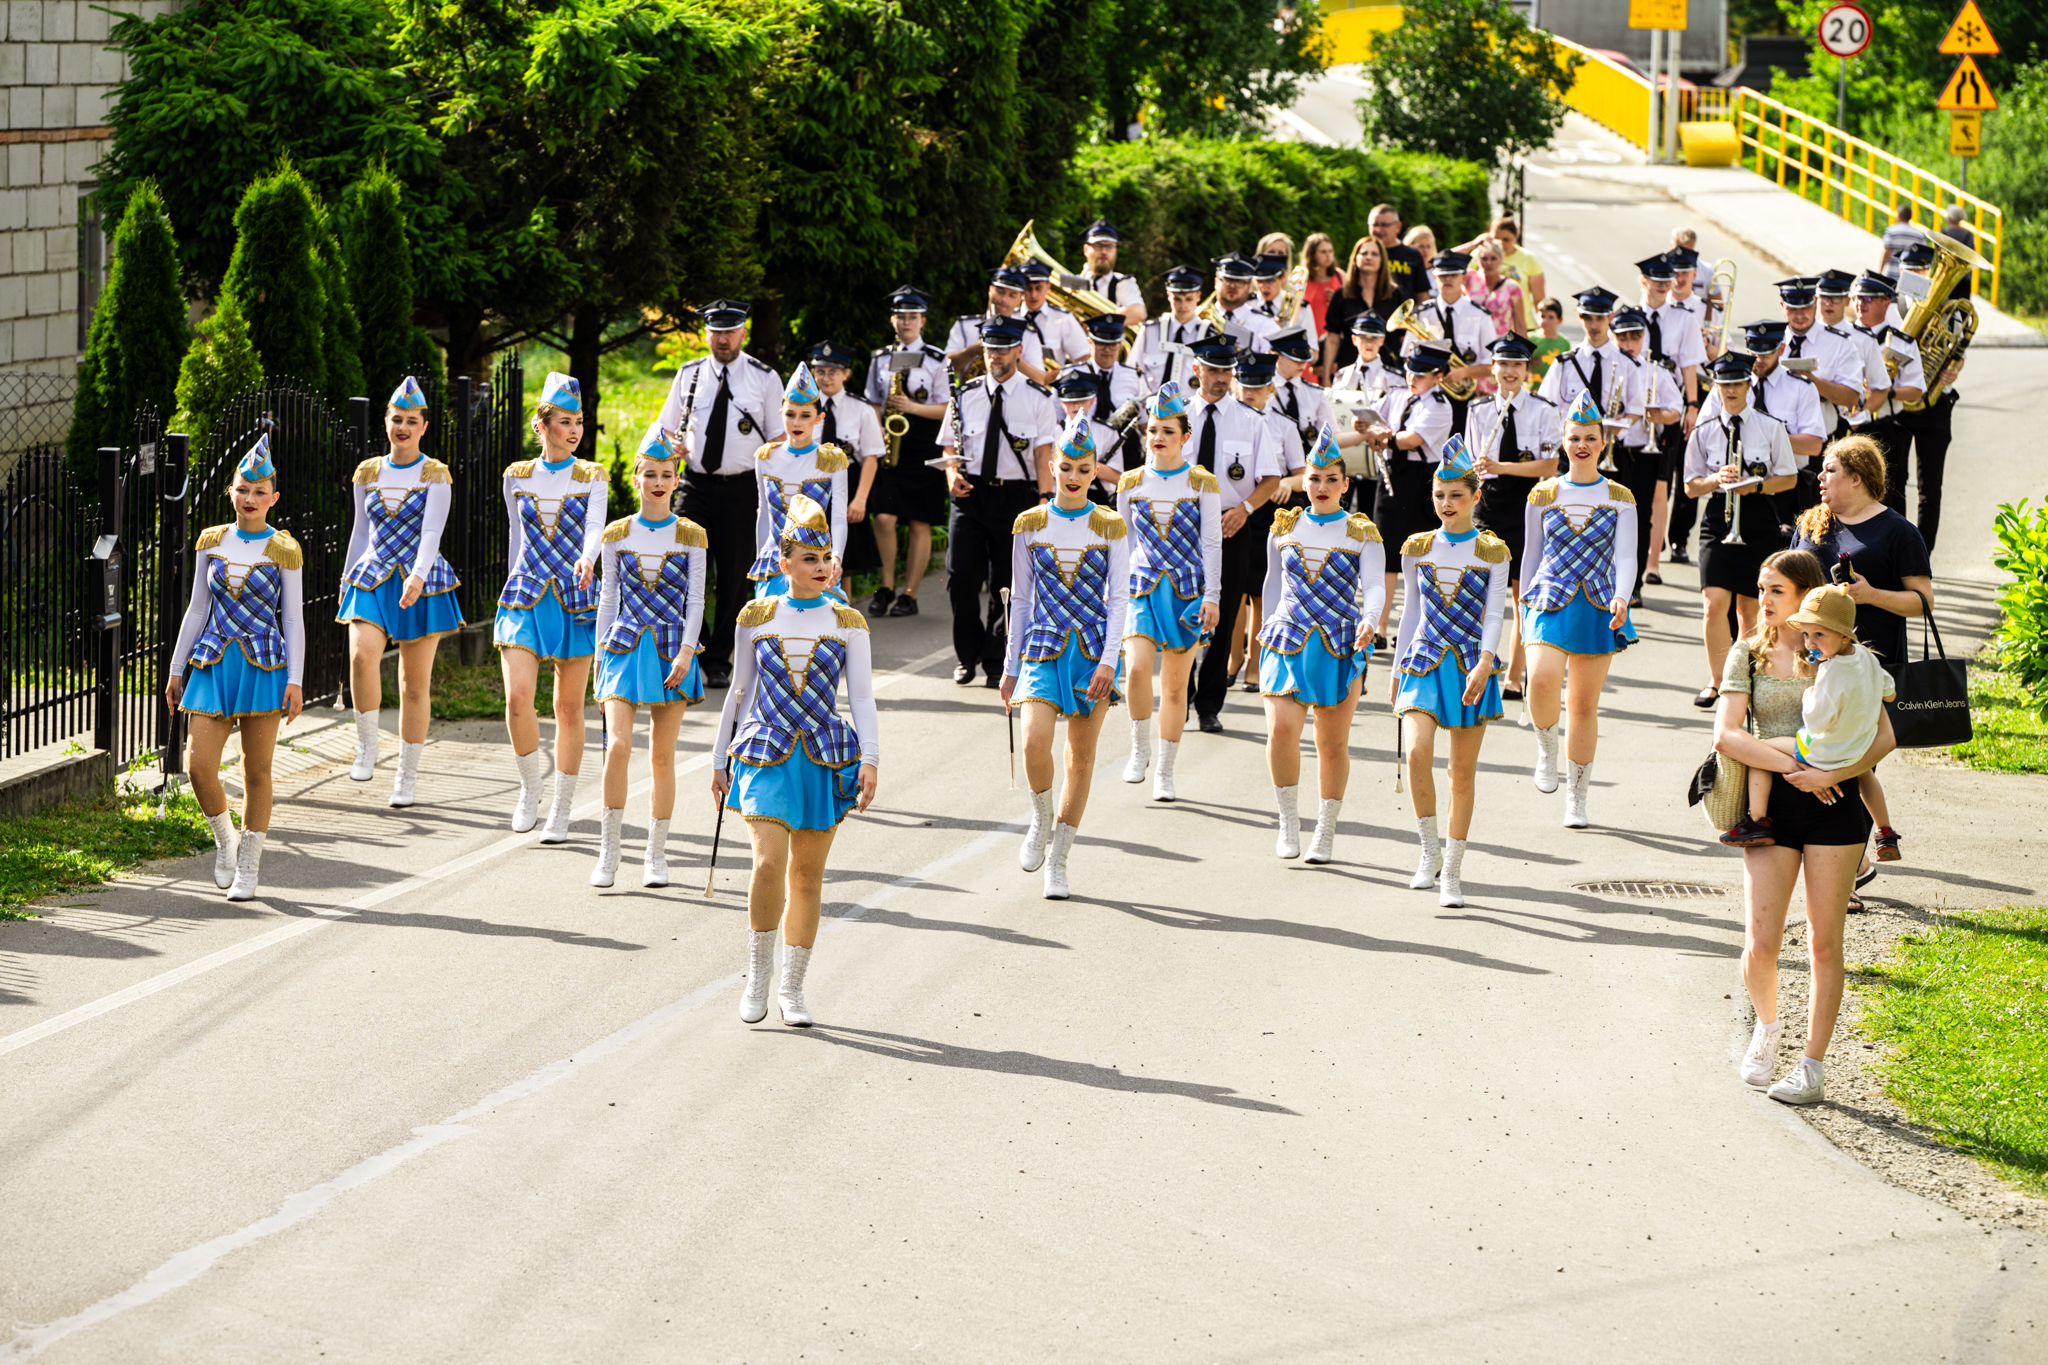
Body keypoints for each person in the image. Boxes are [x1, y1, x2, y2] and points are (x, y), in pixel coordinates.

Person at [1714, 549, 1898, 1103]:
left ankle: (1812, 1068)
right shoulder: (1747, 652)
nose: (1763, 600)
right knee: (1761, 941)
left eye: (1776, 590)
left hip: (1837, 803)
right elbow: (1727, 736)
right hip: (1770, 807)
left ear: (1806, 596)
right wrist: (1799, 769)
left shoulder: (1844, 653)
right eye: (1761, 588)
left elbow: (1885, 737)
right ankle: (1767, 1029)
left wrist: (1831, 774)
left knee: (1823, 941)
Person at [712, 496, 880, 1029]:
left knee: (807, 875)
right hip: (765, 749)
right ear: (784, 562)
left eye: (826, 557)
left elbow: (862, 697)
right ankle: (758, 975)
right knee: (768, 863)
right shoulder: (756, 616)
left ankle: (792, 988)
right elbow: (739, 691)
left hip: (824, 754)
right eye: (810, 558)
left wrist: (871, 759)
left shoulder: (848, 620)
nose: (823, 566)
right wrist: (718, 758)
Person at [164, 434, 304, 901]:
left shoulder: (284, 548)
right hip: (212, 661)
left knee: (256, 770)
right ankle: (226, 840)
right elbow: (196, 608)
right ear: (231, 492)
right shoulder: (211, 541)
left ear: (273, 499)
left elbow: (292, 619)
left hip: (265, 665)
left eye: (260, 492)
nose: (250, 499)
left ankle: (249, 863)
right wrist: (176, 669)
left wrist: (296, 680)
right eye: (243, 489)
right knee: (199, 766)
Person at [1001, 418, 1131, 899]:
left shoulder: (1109, 524)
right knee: (1034, 741)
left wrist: (1109, 661)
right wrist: (1010, 667)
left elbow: (1120, 598)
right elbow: (1020, 599)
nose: (1074, 476)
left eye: (1083, 468)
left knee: (1079, 756)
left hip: (1092, 651)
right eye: (1066, 467)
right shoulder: (1029, 524)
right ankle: (1040, 818)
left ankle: (1059, 859)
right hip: (1042, 644)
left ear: (1095, 470)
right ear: (1052, 467)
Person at [1792, 434, 1931, 866]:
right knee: (1816, 766)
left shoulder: (1898, 531)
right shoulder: (1812, 523)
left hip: (1864, 670)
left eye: (1830, 470)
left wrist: (1871, 595)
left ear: (1856, 477)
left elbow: (1923, 601)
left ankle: (1846, 869)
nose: (1820, 477)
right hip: (1809, 663)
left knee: (1850, 770)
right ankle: (1842, 863)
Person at [1391, 443, 1510, 908]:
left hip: (1470, 664)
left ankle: (1453, 872)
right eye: (1440, 495)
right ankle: (1429, 850)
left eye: (1456, 495)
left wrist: (1486, 661)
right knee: (1417, 751)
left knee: (1461, 772)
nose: (1446, 503)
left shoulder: (1491, 551)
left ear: (1475, 497)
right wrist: (1397, 668)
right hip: (1422, 659)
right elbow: (1410, 612)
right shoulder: (1418, 547)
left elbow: (1495, 613)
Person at [1259, 424, 1385, 864]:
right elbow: (1272, 585)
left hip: (1339, 642)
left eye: (1332, 479)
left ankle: (1325, 830)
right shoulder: (1285, 525)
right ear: (1303, 481)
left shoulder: (1360, 531)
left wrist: (1371, 620)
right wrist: (1265, 632)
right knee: (1281, 731)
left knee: (1331, 743)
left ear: (1346, 484)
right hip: (1287, 637)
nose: (1322, 487)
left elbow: (1374, 585)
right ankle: (1288, 822)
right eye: (1314, 478)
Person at [590, 424, 709, 888]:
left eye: (666, 474)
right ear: (636, 479)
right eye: (650, 474)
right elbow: (608, 599)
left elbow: (696, 601)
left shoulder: (692, 535)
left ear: (676, 480)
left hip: (672, 649)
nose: (658, 482)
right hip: (623, 647)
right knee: (617, 745)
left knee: (662, 756)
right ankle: (609, 850)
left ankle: (656, 855)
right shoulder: (616, 534)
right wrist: (599, 658)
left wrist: (686, 653)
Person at [340, 376, 461, 808]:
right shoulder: (368, 471)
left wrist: (418, 575)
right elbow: (360, 531)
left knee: (413, 684)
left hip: (421, 581)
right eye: (397, 419)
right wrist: (346, 579)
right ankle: (367, 745)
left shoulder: (435, 474)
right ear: (386, 422)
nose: (403, 427)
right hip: (372, 575)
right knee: (362, 657)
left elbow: (432, 532)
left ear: (424, 427)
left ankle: (407, 775)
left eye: (412, 421)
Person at [1520, 392, 1639, 829]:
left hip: (1598, 602)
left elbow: (1627, 555)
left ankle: (1577, 795)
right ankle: (1546, 747)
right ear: (1563, 442)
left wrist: (1622, 596)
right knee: (1542, 680)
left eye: (1590, 438)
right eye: (1574, 438)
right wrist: (1521, 609)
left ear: (1603, 443)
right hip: (1547, 596)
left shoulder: (1620, 496)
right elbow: (1531, 555)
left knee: (1583, 705)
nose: (1582, 445)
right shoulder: (1543, 493)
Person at [495, 372, 606, 841]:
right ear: (542, 426)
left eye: (578, 421)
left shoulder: (591, 476)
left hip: (574, 594)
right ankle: (530, 787)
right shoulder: (516, 476)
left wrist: (588, 557)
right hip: (524, 592)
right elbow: (515, 537)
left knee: (567, 707)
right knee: (518, 699)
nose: (575, 430)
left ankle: (561, 807)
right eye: (565, 421)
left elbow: (596, 527)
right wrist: (510, 582)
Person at [659, 299, 782, 689]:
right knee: (679, 565)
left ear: (743, 333)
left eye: (730, 332)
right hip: (695, 483)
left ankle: (717, 660)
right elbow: (665, 427)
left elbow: (779, 437)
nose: (723, 339)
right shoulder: (689, 373)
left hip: (742, 487)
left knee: (733, 576)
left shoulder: (764, 377)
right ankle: (693, 644)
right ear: (706, 333)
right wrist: (672, 445)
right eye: (716, 332)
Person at [1723, 582, 1895, 850]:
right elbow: (1890, 691)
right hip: (1857, 747)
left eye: (1818, 635)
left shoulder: (1830, 671)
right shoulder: (1866, 657)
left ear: (1844, 636)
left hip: (1823, 751)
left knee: (1761, 749)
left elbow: (1816, 721)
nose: (1810, 643)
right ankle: (1885, 831)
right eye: (1806, 634)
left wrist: (1810, 695)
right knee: (1866, 776)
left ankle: (1757, 821)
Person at [939, 316, 1061, 687]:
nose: (995, 355)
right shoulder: (965, 393)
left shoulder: (1039, 397)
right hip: (971, 493)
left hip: (1016, 496)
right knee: (960, 576)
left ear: (1018, 351)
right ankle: (966, 654)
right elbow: (949, 446)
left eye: (1003, 348)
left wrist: (1045, 498)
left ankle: (997, 659)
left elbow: (1042, 453)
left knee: (1006, 583)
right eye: (990, 348)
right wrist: (951, 474)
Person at [1118, 381, 1222, 799]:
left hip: (1186, 591)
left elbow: (1211, 542)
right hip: (1142, 586)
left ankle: (1165, 770)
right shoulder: (1130, 481)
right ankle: (1139, 747)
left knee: (1176, 687)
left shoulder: (1201, 482)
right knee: (1136, 670)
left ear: (1185, 437)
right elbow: (1123, 544)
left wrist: (1212, 596)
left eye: (1168, 431)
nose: (1158, 437)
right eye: (1152, 430)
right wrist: (1113, 593)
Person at [1684, 349, 1799, 710]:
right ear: (1716, 387)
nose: (1731, 390)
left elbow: (1790, 478)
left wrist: (1756, 485)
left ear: (1749, 384)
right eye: (1724, 384)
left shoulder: (1770, 426)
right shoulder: (1703, 431)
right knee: (1713, 604)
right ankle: (1718, 681)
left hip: (1757, 516)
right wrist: (1715, 479)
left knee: (1750, 608)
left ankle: (1747, 679)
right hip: (1719, 516)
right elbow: (1690, 486)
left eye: (1737, 383)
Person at [1187, 337, 1284, 733]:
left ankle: (1209, 704)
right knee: (1182, 609)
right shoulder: (1176, 415)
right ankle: (1180, 693)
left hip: (1231, 524)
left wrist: (1245, 509)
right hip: (1183, 525)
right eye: (1212, 369)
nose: (1220, 377)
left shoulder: (1250, 420)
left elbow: (1271, 479)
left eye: (1226, 370)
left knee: (1225, 616)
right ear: (1196, 369)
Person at [1469, 333, 1560, 699]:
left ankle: (1513, 677)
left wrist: (1502, 467)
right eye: (1503, 364)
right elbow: (1470, 467)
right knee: (1480, 597)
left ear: (1526, 370)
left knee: (1523, 599)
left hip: (1526, 507)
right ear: (1493, 368)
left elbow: (1550, 465)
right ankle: (1480, 668)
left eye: (1517, 365)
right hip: (1487, 508)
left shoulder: (1543, 409)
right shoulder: (1477, 410)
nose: (1509, 371)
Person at [864, 286, 952, 618]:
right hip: (890, 443)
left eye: (912, 317)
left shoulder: (937, 359)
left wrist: (912, 408)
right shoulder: (879, 358)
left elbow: (947, 408)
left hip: (924, 442)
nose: (906, 322)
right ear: (893, 320)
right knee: (883, 517)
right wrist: (876, 431)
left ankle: (910, 594)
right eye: (901, 317)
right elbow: (873, 402)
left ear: (922, 320)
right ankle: (886, 587)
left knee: (919, 521)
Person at [1365, 342, 1456, 631]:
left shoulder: (1439, 405)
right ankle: (1379, 627)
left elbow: (1412, 439)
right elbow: (1369, 417)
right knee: (1386, 552)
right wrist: (1365, 427)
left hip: (1421, 479)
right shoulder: (1398, 395)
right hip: (1393, 474)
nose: (1412, 378)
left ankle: (1415, 625)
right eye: (1409, 371)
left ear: (1438, 376)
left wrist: (1382, 438)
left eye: (1420, 374)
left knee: (1421, 553)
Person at [749, 363, 851, 599]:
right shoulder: (765, 457)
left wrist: (836, 557)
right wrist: (760, 556)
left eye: (805, 416)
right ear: (781, 414)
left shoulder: (831, 460)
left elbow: (838, 516)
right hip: (775, 561)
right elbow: (764, 514)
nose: (796, 423)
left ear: (819, 418)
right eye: (790, 414)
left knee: (830, 617)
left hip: (816, 561)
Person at [1890, 238, 1965, 551]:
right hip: (1898, 406)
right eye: (1909, 269)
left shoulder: (1950, 308)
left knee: (1930, 488)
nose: (1915, 275)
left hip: (1935, 405)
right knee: (1894, 483)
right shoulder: (1890, 308)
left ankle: (1923, 554)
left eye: (1921, 269)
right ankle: (1895, 550)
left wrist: (1954, 369)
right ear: (1901, 271)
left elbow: (1958, 351)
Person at [1608, 307, 1682, 598]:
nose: (1629, 343)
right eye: (1623, 337)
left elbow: (1675, 410)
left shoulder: (1656, 371)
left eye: (1635, 337)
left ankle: (1633, 586)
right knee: (1605, 519)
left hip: (1643, 452)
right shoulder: (1607, 366)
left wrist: (1658, 415)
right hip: (1610, 448)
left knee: (1638, 520)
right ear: (1613, 337)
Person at [809, 339, 885, 587]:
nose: (826, 378)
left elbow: (871, 458)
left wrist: (860, 499)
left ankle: (843, 610)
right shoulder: (803, 407)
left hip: (847, 485)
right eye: (820, 371)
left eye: (833, 372)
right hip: (810, 484)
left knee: (843, 563)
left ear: (846, 373)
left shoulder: (861, 408)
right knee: (809, 555)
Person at [1414, 252, 1499, 424]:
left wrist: (1465, 372)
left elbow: (1494, 365)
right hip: (1428, 396)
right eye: (1443, 275)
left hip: (1463, 399)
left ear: (1463, 277)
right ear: (1435, 277)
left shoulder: (1480, 315)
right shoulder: (1421, 313)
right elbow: (1407, 357)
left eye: (1453, 274)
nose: (1448, 279)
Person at [1132, 265, 1217, 392]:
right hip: (1151, 403)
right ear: (1168, 295)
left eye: (1188, 299)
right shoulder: (1150, 331)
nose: (1183, 306)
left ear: (1198, 296)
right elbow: (1131, 371)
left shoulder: (1209, 336)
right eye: (1177, 299)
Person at [1324, 236, 1401, 376]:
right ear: (1355, 258)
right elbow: (1333, 338)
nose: (1369, 257)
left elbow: (1403, 337)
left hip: (1389, 373)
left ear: (1382, 260)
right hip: (1350, 372)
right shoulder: (1341, 295)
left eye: (1374, 254)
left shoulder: (1396, 295)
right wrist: (1326, 376)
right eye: (1364, 253)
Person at [1018, 260, 1091, 384]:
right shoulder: (1012, 317)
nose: (1034, 295)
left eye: (1038, 288)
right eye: (1028, 289)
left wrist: (1058, 376)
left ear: (1048, 287)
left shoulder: (1063, 318)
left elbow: (1083, 357)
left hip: (1053, 389)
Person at [946, 266, 1029, 371]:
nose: (1004, 299)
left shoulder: (1028, 333)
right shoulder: (965, 325)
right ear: (990, 290)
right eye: (1000, 291)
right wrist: (971, 351)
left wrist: (1012, 354)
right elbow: (943, 366)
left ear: (1020, 300)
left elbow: (1040, 378)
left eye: (1012, 295)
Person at [1460, 241, 1528, 359]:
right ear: (1477, 261)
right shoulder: (1469, 278)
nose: (1489, 263)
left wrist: (1523, 355)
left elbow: (1520, 324)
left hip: (1500, 345)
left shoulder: (1512, 287)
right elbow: (1445, 260)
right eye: (1484, 259)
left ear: (1501, 261)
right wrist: (1473, 244)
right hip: (1472, 344)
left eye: (1493, 258)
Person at [1077, 217, 1146, 328]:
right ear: (1086, 250)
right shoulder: (1074, 283)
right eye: (1098, 246)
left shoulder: (1124, 283)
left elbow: (1138, 313)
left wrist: (1095, 324)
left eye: (1109, 247)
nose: (1104, 251)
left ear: (1115, 250)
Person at [1489, 215, 1547, 332]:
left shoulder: (1528, 258)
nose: (1501, 244)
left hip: (1522, 325)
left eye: (1506, 239)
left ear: (1516, 237)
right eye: (1496, 239)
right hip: (1490, 325)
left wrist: (1543, 326)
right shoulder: (1482, 256)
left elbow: (1539, 299)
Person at [1367, 203, 1429, 308]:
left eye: (1384, 225)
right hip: (1370, 315)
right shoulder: (1363, 254)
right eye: (1375, 225)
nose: (1379, 230)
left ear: (1398, 227)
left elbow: (1422, 294)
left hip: (1403, 316)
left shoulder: (1412, 255)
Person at [1211, 252, 1277, 349]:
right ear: (1216, 282)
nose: (1232, 286)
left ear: (1250, 286)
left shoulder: (1264, 323)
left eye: (1239, 281)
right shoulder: (1198, 318)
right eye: (1227, 279)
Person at [1298, 232, 1342, 354]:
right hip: (1306, 340)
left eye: (1330, 251)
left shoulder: (1340, 276)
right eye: (1323, 252)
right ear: (1312, 254)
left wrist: (1336, 302)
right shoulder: (1301, 279)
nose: (1328, 255)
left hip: (1333, 341)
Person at [1528, 299, 1573, 382]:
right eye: (1542, 316)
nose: (1545, 321)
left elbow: (1567, 368)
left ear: (1560, 320)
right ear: (1536, 316)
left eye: (1551, 317)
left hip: (1554, 387)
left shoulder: (1564, 342)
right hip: (1531, 387)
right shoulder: (1529, 338)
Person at [1879, 202, 1919, 277]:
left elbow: (1887, 252)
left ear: (1899, 215)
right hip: (1909, 275)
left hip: (1892, 273)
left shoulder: (1891, 231)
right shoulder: (1919, 235)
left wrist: (1880, 271)